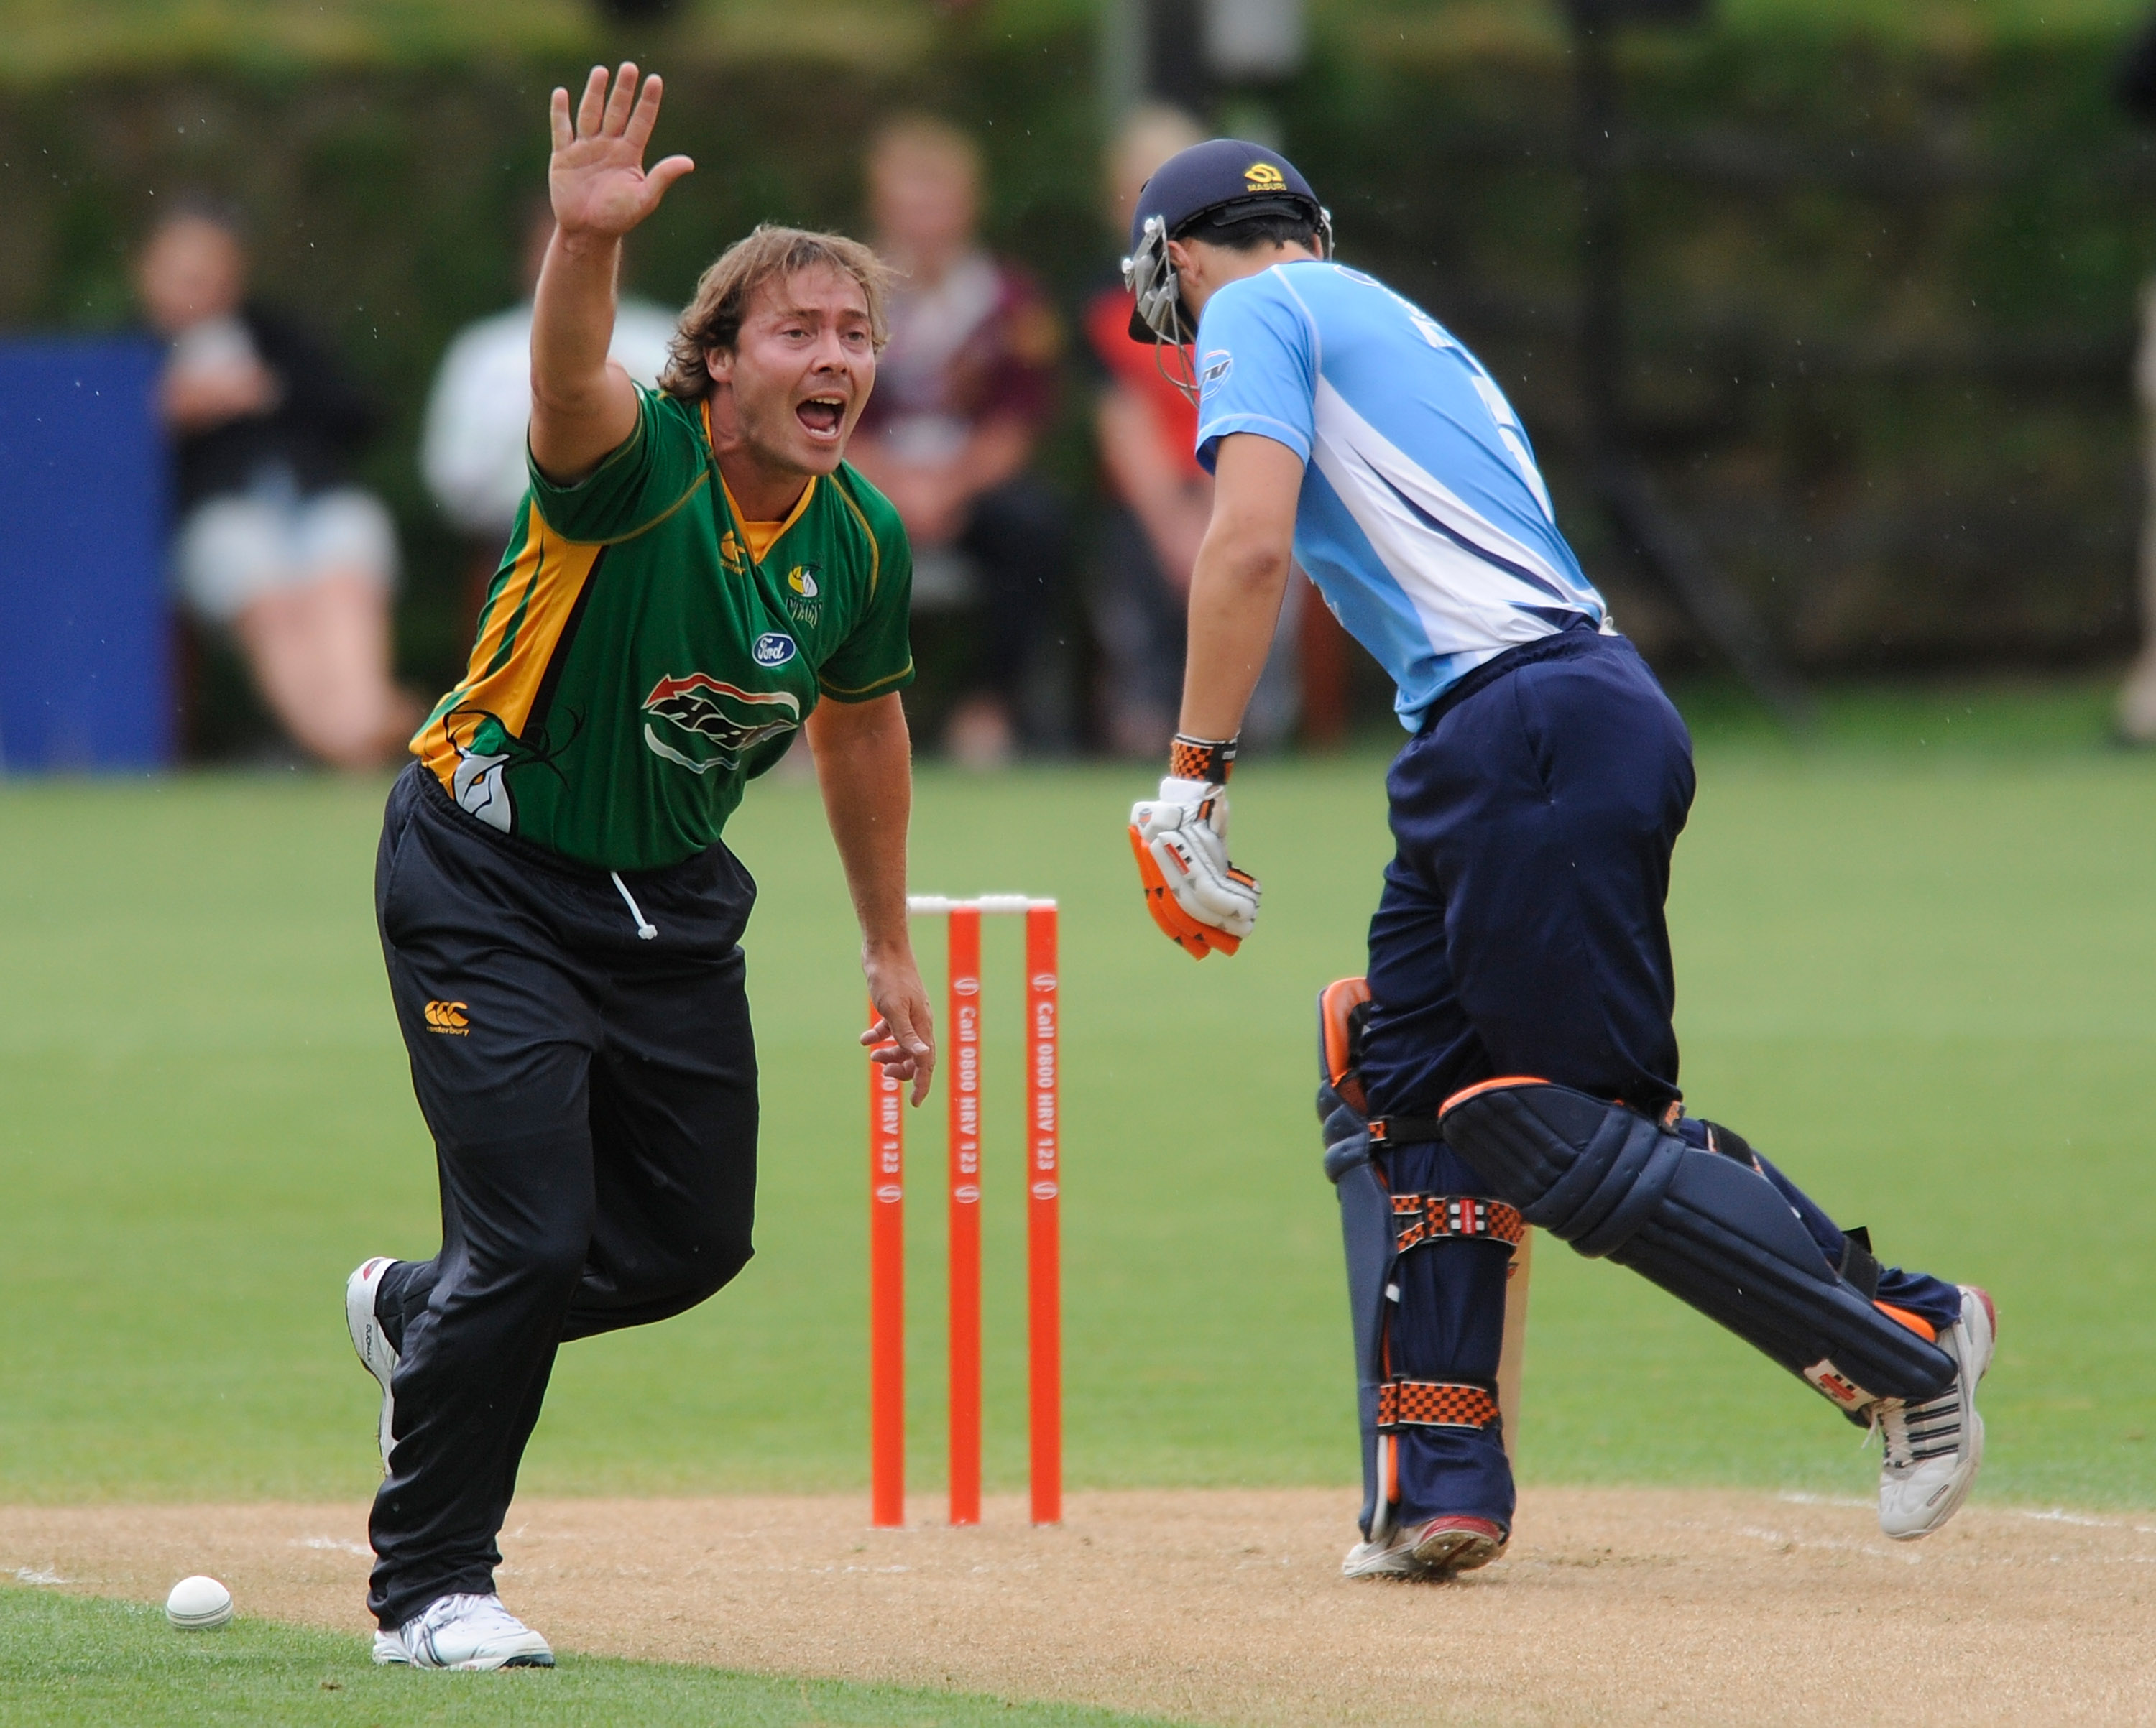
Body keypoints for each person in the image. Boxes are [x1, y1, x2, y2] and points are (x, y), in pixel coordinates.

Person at [1119, 139, 1996, 1581]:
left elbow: (1248, 547)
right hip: (1513, 721)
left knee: (1554, 1112)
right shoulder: (1390, 316)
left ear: (1178, 261)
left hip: (1524, 716)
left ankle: (1902, 1339)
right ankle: (1445, 1481)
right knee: (1405, 1078)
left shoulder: (1256, 309)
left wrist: (1193, 778)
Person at [343, 64, 935, 1670]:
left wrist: (886, 945)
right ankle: (430, 1590)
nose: (836, 359)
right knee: (531, 1238)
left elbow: (862, 732)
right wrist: (584, 240)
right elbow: (559, 382)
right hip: (485, 870)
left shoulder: (859, 540)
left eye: (857, 335)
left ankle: (423, 1314)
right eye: (800, 332)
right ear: (721, 361)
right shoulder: (637, 460)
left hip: (667, 906)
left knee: (687, 1242)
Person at [139, 203, 414, 768]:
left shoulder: (279, 336)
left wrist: (271, 392)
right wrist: (173, 417)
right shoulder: (128, 361)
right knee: (268, 599)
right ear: (148, 276)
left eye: (209, 271)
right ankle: (357, 734)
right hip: (218, 516)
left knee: (344, 576)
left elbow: (358, 414)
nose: (196, 287)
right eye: (181, 273)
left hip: (318, 501)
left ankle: (358, 721)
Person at [847, 114, 1067, 766]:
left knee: (1034, 527)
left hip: (967, 487)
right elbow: (813, 413)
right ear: (881, 206)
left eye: (938, 204)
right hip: (862, 481)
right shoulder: (841, 294)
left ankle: (989, 707)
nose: (925, 223)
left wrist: (948, 488)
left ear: (968, 207)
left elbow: (1016, 423)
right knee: (800, 529)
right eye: (910, 205)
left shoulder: (1010, 300)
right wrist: (893, 486)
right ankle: (813, 715)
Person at [1084, 106, 1299, 757]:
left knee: (1269, 543)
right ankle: (1144, 713)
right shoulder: (1102, 307)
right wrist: (1175, 526)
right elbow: (1124, 426)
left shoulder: (1250, 305)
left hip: (1236, 484)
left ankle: (1255, 713)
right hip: (1152, 502)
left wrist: (1225, 506)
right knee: (1140, 578)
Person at [420, 199, 678, 634]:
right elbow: (450, 484)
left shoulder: (666, 338)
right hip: (521, 549)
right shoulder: (484, 353)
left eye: (593, 248)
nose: (574, 265)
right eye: (559, 248)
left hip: (654, 546)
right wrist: (546, 408)